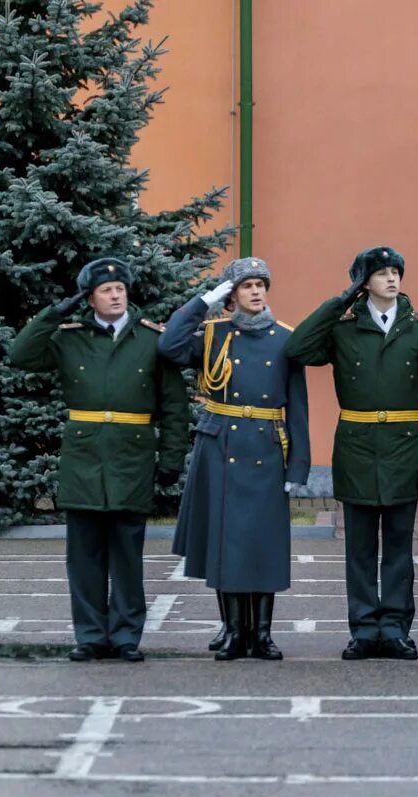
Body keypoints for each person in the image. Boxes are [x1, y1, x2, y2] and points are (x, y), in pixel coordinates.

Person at [9, 258, 190, 662]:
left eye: (120, 289)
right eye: (106, 291)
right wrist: (53, 314)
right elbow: (21, 355)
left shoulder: (151, 339)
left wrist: (171, 458)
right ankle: (90, 635)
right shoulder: (69, 336)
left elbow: (175, 405)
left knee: (127, 554)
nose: (115, 295)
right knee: (84, 555)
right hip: (84, 457)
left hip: (132, 455)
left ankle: (126, 637)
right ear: (89, 298)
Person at [284, 247, 418, 660]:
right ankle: (363, 629)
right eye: (380, 273)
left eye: (396, 271)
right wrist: (340, 301)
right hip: (358, 447)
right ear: (363, 282)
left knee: (398, 548)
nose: (392, 279)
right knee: (359, 549)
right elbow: (298, 348)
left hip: (404, 447)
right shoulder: (343, 328)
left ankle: (395, 628)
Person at [158, 257, 311, 661]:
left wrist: (298, 466)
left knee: (261, 543)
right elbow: (169, 345)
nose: (256, 291)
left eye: (261, 284)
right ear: (231, 295)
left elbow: (298, 407)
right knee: (225, 542)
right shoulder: (212, 335)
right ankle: (232, 631)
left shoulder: (285, 338)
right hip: (220, 444)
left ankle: (261, 635)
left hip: (264, 445)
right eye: (246, 286)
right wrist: (203, 302)